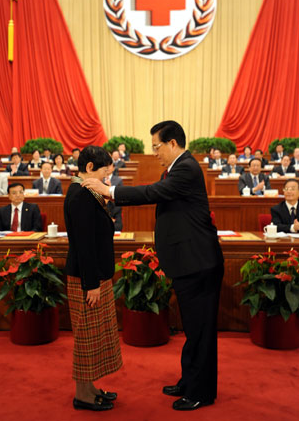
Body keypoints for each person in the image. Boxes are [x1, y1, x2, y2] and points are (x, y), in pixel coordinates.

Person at [82, 121, 224, 411]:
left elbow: (152, 193)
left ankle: (202, 392)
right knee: (192, 329)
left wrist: (108, 191)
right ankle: (189, 381)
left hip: (199, 262)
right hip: (188, 263)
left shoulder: (186, 167)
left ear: (173, 143)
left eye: (157, 147)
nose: (154, 153)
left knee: (201, 331)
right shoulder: (177, 167)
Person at [64, 146, 122, 412]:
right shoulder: (80, 196)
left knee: (95, 336)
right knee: (87, 338)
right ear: (89, 168)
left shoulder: (87, 192)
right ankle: (82, 395)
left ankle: (89, 388)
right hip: (87, 280)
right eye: (103, 171)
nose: (107, 176)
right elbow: (84, 245)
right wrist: (92, 284)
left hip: (96, 276)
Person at [104, 163, 123, 232]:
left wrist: (110, 189)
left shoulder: (118, 180)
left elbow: (120, 199)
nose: (107, 167)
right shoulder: (98, 180)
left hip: (115, 212)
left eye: (110, 165)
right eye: (106, 165)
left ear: (113, 168)